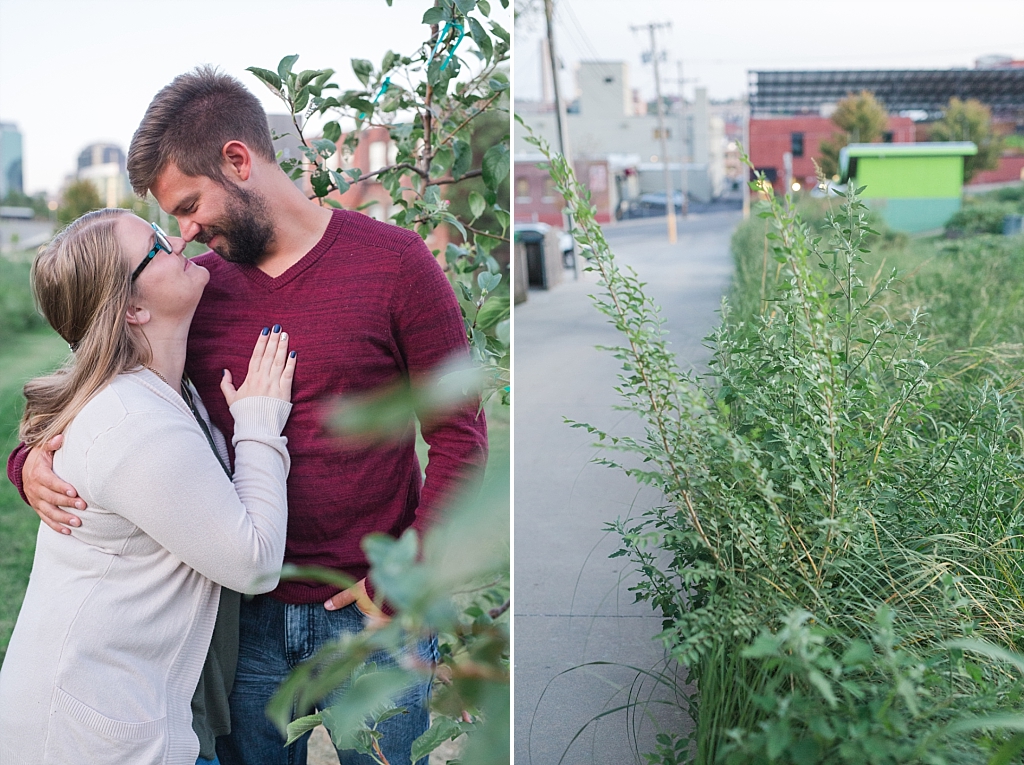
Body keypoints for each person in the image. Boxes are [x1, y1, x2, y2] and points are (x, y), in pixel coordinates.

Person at [9, 66, 488, 765]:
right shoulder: (195, 296)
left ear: (239, 160)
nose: (186, 231)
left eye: (190, 204)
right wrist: (28, 463)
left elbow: (460, 437)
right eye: (172, 218)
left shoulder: (397, 264)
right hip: (241, 627)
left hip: (376, 620)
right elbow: (88, 398)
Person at [0, 208, 296, 764]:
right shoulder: (134, 422)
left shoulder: (161, 390)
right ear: (133, 309)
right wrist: (259, 422)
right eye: (158, 244)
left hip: (119, 706)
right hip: (88, 734)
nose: (182, 237)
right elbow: (253, 564)